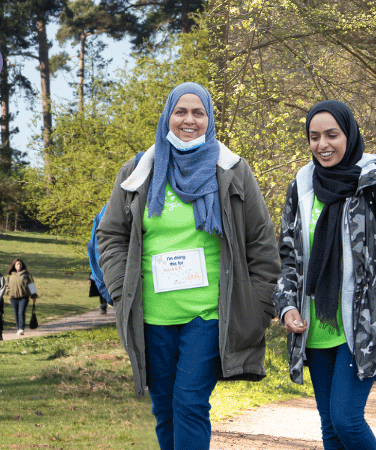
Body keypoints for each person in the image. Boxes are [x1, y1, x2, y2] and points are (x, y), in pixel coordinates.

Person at [96, 82, 280, 450]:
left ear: (209, 119)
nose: (189, 120)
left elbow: (262, 245)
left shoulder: (232, 171)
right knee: (164, 409)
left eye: (198, 112)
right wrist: (120, 291)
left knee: (190, 402)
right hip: (153, 317)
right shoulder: (138, 172)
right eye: (181, 112)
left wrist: (257, 308)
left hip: (209, 315)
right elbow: (111, 235)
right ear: (168, 117)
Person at [273, 100, 376, 450]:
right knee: (330, 426)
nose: (322, 145)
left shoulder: (375, 183)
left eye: (332, 135)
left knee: (346, 419)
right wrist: (287, 306)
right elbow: (288, 257)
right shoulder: (300, 187)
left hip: (363, 326)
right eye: (314, 137)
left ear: (350, 134)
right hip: (314, 326)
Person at [4, 258, 38, 336]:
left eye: (20, 264)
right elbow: (6, 285)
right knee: (16, 313)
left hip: (24, 297)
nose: (19, 265)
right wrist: (8, 292)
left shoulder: (26, 274)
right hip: (13, 298)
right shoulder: (10, 274)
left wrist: (34, 296)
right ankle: (18, 328)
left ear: (22, 265)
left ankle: (21, 328)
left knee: (21, 312)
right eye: (17, 264)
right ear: (14, 265)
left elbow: (31, 285)